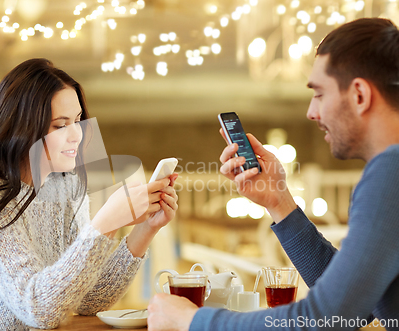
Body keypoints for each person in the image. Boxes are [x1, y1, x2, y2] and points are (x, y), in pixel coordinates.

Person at [147, 17, 399, 331]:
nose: (311, 111)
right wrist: (279, 201)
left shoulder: (390, 172)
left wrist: (192, 321)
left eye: (319, 93)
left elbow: (324, 319)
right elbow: (351, 309)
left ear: (359, 94)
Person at [0, 58, 178, 330]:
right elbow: (38, 309)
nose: (77, 136)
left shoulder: (63, 188)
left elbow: (90, 299)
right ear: (22, 128)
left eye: (78, 121)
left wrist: (144, 230)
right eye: (60, 125)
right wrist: (104, 223)